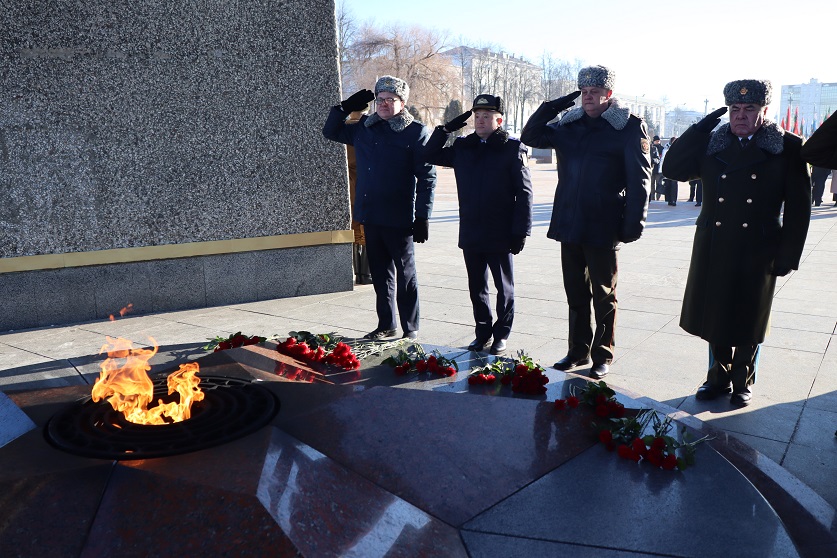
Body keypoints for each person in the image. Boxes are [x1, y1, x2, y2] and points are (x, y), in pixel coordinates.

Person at [663, 79, 811, 406]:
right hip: (715, 242)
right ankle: (717, 378)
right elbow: (672, 168)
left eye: (749, 108)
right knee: (715, 311)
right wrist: (699, 129)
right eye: (734, 109)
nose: (740, 115)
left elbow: (799, 208)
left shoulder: (787, 147)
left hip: (759, 246)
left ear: (764, 111)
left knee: (749, 314)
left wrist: (788, 254)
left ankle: (743, 380)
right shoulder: (713, 142)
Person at [521, 65, 651, 379]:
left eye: (595, 92)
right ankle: (577, 351)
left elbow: (640, 179)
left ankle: (602, 354)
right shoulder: (569, 123)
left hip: (603, 223)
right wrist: (553, 106)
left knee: (604, 294)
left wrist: (633, 224)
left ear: (609, 94)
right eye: (584, 92)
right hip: (570, 220)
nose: (588, 97)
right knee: (575, 293)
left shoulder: (628, 127)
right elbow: (530, 135)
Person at [322, 76, 436, 340]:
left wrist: (423, 216)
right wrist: (343, 108)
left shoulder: (415, 132)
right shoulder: (364, 127)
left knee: (405, 275)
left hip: (398, 217)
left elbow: (427, 177)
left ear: (402, 103)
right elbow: (330, 131)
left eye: (390, 100)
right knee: (381, 275)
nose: (384, 104)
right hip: (370, 213)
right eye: (380, 99)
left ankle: (410, 328)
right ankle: (386, 324)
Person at [422, 94, 533, 356]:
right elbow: (428, 153)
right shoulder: (464, 146)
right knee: (477, 287)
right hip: (471, 229)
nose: (480, 120)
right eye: (477, 116)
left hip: (501, 231)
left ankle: (501, 335)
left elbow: (525, 193)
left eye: (487, 116)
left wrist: (521, 231)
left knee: (504, 288)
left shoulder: (512, 149)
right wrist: (445, 130)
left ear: (499, 120)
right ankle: (482, 332)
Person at [345, 109, 373, 285]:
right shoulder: (368, 129)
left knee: (354, 228)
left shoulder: (342, 129)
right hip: (364, 183)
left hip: (347, 183)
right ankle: (366, 274)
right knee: (366, 229)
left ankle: (357, 271)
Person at [660, 136, 678, 205]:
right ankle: (668, 199)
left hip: (675, 170)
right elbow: (662, 159)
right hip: (667, 169)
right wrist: (661, 170)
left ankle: (673, 200)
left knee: (674, 185)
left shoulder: (679, 148)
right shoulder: (666, 148)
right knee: (668, 184)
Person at [650, 136, 664, 201]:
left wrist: (653, 160)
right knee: (651, 184)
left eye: (658, 141)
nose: (658, 142)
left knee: (659, 184)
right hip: (651, 170)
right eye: (656, 141)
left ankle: (658, 198)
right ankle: (652, 198)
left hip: (659, 170)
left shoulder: (662, 149)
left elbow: (659, 159)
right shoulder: (651, 148)